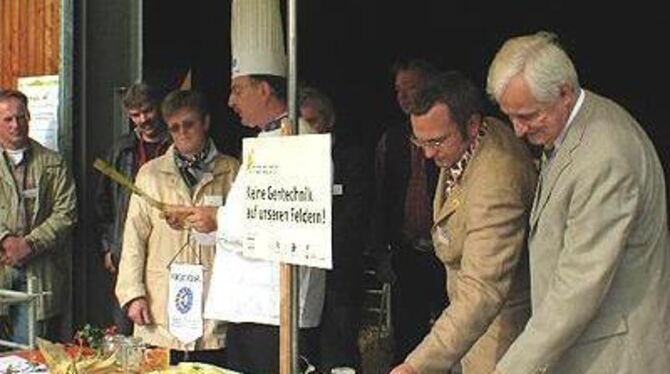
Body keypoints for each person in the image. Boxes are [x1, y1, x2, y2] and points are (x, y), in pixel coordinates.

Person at [487, 31, 670, 374]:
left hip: (613, 358)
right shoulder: (573, 129)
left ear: (565, 94)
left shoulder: (605, 156)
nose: (518, 131)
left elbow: (579, 285)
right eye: (510, 116)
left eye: (527, 115)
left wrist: (510, 369)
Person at [163, 1, 326, 372]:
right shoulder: (264, 142)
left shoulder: (298, 138)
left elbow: (289, 223)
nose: (230, 101)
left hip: (277, 309)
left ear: (265, 89)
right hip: (251, 306)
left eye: (238, 89)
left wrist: (219, 219)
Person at [390, 71, 537, 374]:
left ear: (471, 124)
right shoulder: (476, 137)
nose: (428, 153)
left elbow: (482, 289)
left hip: (497, 333)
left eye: (437, 141)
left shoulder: (496, 182)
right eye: (419, 141)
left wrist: (416, 366)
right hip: (468, 325)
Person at [115, 90, 239, 366]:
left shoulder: (232, 172)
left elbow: (246, 234)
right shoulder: (150, 173)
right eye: (174, 127)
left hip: (214, 301)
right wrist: (133, 294)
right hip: (160, 304)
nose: (182, 133)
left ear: (205, 122)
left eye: (189, 124)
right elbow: (133, 238)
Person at [367, 59, 447, 364]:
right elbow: (379, 200)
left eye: (410, 87)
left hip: (448, 255)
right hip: (407, 253)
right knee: (407, 337)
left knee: (454, 334)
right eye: (398, 89)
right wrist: (381, 254)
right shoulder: (392, 140)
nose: (402, 96)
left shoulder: (453, 136)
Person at [299, 86, 372, 372]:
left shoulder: (352, 159)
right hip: (301, 277)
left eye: (313, 122)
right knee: (304, 353)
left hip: (339, 276)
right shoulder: (291, 163)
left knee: (338, 352)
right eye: (302, 123)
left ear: (329, 121)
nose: (308, 130)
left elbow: (355, 216)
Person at [0, 89, 77, 345]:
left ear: (29, 117)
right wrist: (5, 239)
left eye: (21, 117)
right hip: (2, 267)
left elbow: (66, 213)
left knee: (30, 354)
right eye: (8, 119)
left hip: (40, 273)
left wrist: (29, 244)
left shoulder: (53, 163)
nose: (15, 125)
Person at [94, 82, 171, 336]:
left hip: (166, 246)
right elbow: (102, 202)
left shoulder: (175, 144)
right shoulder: (120, 150)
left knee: (163, 325)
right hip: (126, 249)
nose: (143, 120)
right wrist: (107, 246)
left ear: (158, 108)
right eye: (135, 115)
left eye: (147, 111)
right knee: (125, 327)